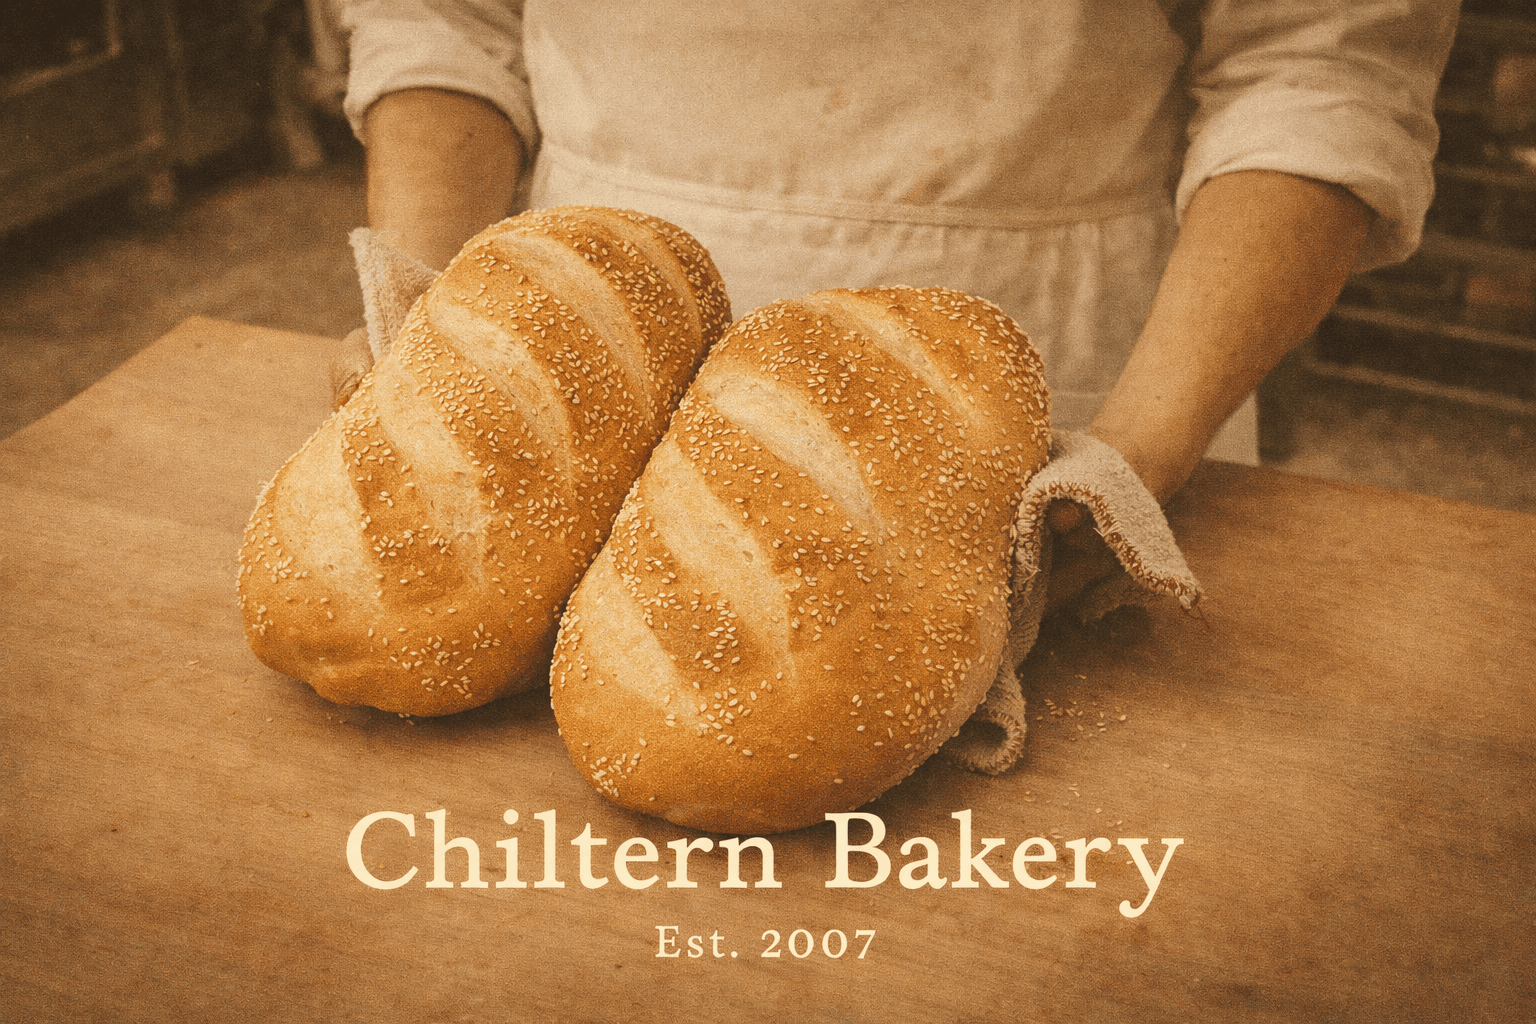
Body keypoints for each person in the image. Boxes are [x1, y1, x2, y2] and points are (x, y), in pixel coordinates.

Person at [337, 0, 1459, 598]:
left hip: (1066, 397)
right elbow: (444, 16)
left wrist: (1140, 447)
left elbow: (1317, 65)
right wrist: (422, 311)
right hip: (580, 366)